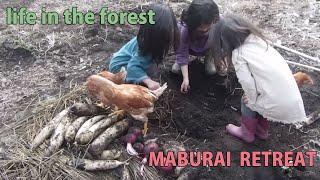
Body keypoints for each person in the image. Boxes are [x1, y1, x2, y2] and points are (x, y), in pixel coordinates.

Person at [211, 15, 307, 143]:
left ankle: (246, 133)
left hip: (277, 103)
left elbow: (248, 83)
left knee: (246, 100)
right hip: (291, 98)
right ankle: (262, 130)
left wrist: (251, 98)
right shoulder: (258, 41)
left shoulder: (238, 54)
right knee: (259, 98)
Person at [108, 4, 179, 90]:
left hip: (132, 60)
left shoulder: (154, 40)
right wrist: (148, 81)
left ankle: (142, 75)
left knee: (150, 66)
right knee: (141, 78)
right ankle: (135, 80)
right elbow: (132, 66)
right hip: (120, 67)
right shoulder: (147, 49)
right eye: (163, 38)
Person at [172, 0, 225, 93]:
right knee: (176, 70)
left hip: (209, 48)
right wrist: (186, 79)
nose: (204, 29)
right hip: (189, 48)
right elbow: (182, 52)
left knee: (211, 71)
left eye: (207, 26)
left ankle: (209, 58)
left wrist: (221, 59)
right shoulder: (185, 29)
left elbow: (223, 43)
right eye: (200, 27)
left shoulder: (219, 23)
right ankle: (183, 63)